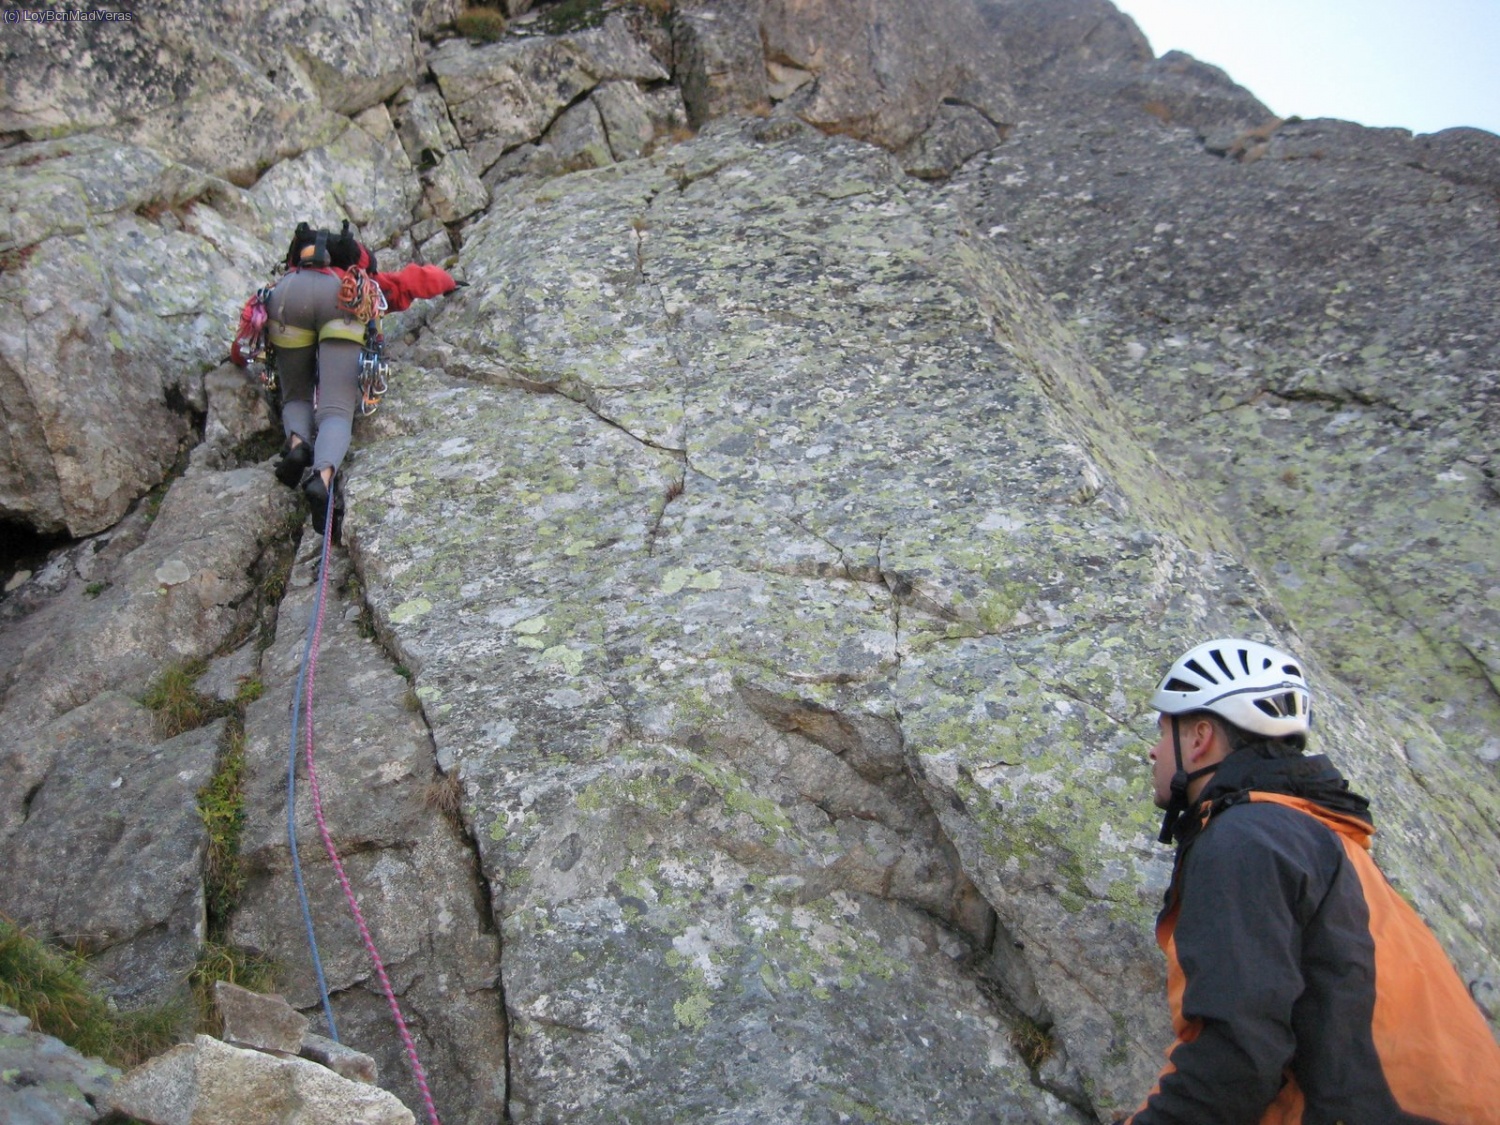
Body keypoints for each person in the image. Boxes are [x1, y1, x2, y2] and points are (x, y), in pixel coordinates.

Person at [1125, 636, 1500, 1124]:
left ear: (1199, 737)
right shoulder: (1315, 835)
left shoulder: (1244, 841)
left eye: (1162, 731)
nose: (1154, 753)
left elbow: (1236, 1057)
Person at [264, 222, 457, 537]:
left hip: (288, 299)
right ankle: (321, 477)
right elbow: (404, 284)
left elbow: (249, 328)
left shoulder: (287, 278)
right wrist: (447, 282)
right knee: (336, 410)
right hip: (341, 302)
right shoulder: (355, 279)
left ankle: (298, 444)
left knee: (296, 397)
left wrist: (233, 357)